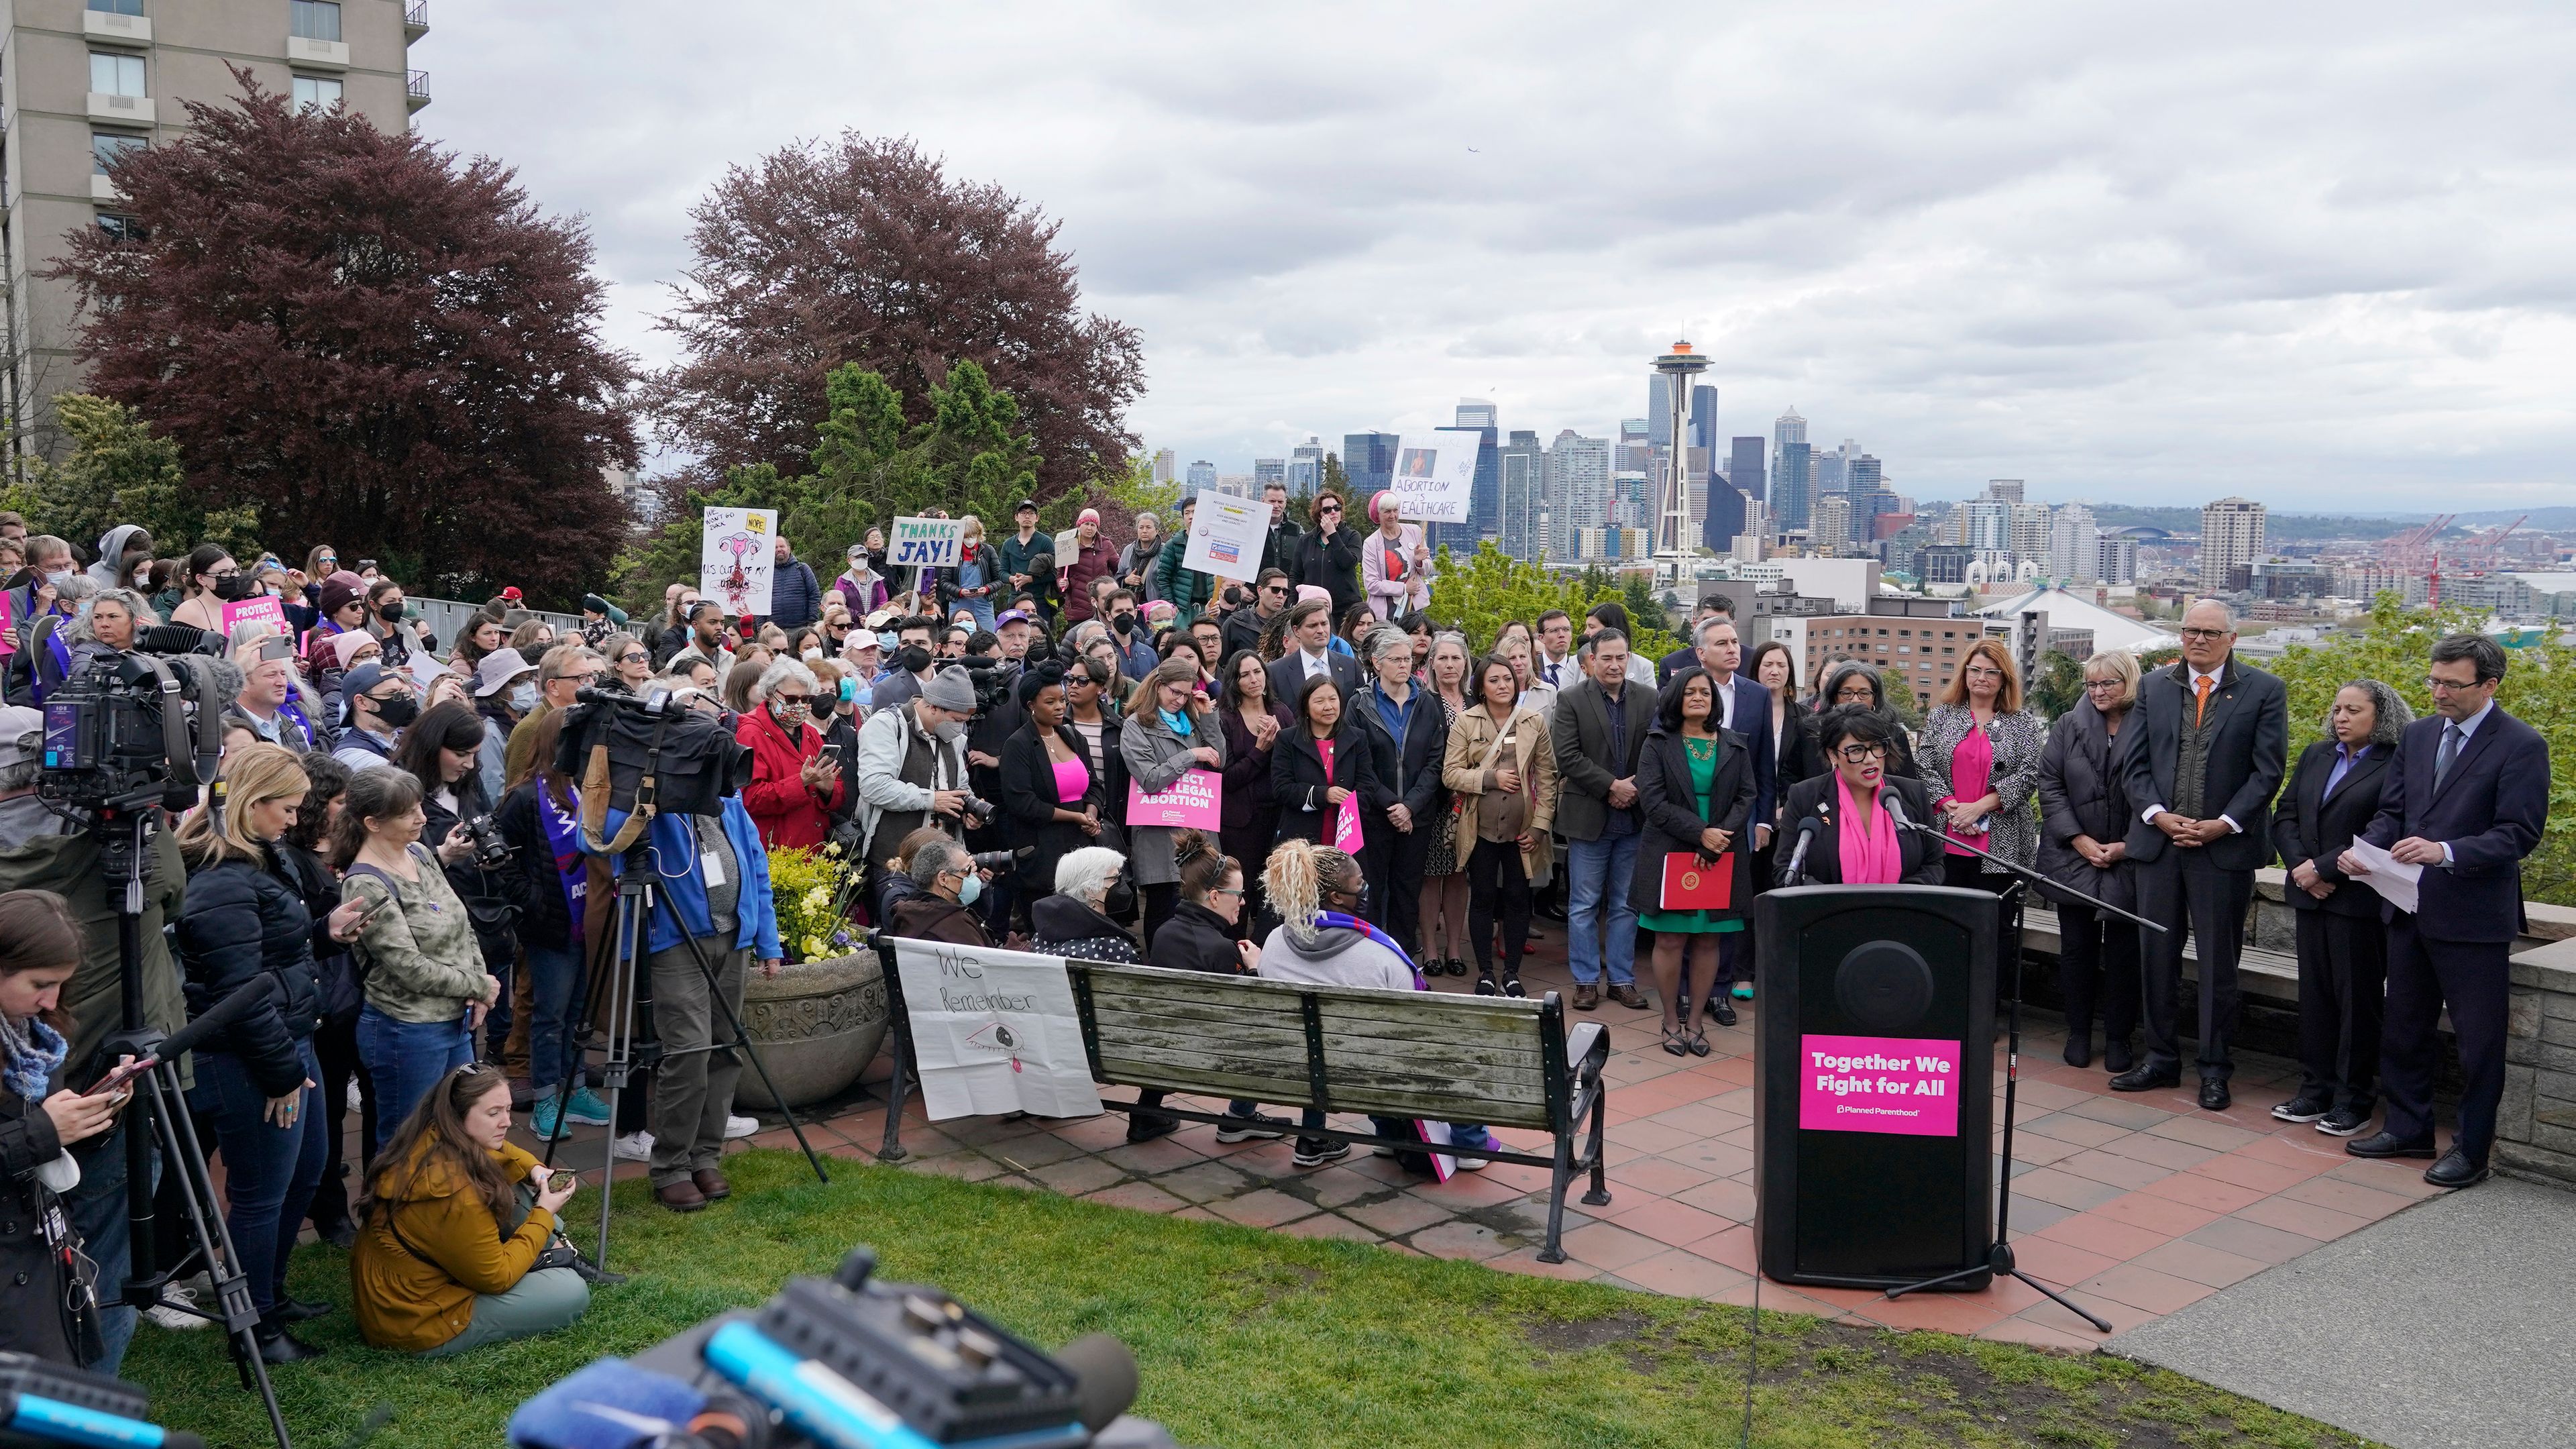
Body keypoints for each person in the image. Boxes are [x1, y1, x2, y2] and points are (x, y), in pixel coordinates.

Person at [175, 744, 370, 1362]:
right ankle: (252, 1329)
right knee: (261, 1193)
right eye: (286, 809)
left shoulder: (262, 858)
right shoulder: (223, 880)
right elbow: (237, 993)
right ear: (252, 805)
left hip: (288, 1040)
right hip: (248, 1058)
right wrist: (283, 1075)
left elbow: (272, 960)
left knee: (303, 1174)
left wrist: (325, 934)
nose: (296, 819)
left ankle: (272, 1300)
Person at [2342, 635, 2550, 1188]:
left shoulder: (2521, 744)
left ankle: (2471, 1151)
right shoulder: (2417, 734)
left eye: (2451, 685)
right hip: (2407, 908)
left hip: (2474, 918)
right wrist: (2367, 849)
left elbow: (2519, 833)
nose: (2437, 693)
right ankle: (2408, 1129)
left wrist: (2447, 852)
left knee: (2478, 1043)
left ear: (2490, 686)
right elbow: (2395, 811)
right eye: (2434, 681)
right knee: (2404, 1029)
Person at [2113, 600, 2288, 1112]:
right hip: (2159, 846)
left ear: (2232, 638)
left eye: (2211, 633)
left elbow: (2267, 772)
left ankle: (2214, 1069)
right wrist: (2158, 816)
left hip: (2222, 850)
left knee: (2217, 965)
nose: (2199, 640)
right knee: (2156, 959)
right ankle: (2161, 1060)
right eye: (2191, 631)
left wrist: (2223, 825)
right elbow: (2135, 765)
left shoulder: (2265, 690)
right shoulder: (2153, 686)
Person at [1258, 837, 1500, 1170]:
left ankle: (1388, 1134)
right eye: (1359, 884)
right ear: (1337, 898)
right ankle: (1472, 1145)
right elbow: (1419, 1026)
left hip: (1293, 1068)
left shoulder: (1272, 942)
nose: (1366, 888)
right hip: (1369, 1074)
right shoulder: (1380, 956)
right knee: (1445, 1043)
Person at [350, 1064, 588, 1356]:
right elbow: (496, 1278)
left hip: (398, 1294)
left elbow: (505, 1152)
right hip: (414, 1318)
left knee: (512, 1180)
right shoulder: (454, 1192)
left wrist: (537, 1171)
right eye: (494, 1113)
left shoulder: (433, 1133)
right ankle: (557, 1256)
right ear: (458, 1115)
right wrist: (543, 1212)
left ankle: (557, 1251)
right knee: (569, 1292)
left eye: (508, 1110)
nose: (506, 1122)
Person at [2268, 678, 2410, 1133]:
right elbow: (2285, 814)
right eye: (2337, 710)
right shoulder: (2317, 755)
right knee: (2315, 1000)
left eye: (2353, 710)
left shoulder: (2395, 763)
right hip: (2310, 897)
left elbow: (2384, 828)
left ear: (2380, 717)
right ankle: (2314, 1091)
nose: (2341, 718)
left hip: (2357, 901)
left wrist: (2324, 870)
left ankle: (2354, 1100)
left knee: (2357, 1004)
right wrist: (2301, 870)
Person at [337, 767, 501, 1150]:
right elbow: (409, 967)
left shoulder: (420, 852)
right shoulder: (364, 883)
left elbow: (462, 924)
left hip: (454, 1021)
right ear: (372, 823)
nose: (422, 818)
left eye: (418, 807)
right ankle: (392, 1211)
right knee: (406, 1143)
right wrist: (480, 985)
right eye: (408, 813)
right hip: (406, 1030)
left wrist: (479, 990)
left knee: (456, 1131)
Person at [0, 892, 127, 1368]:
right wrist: (45, 1131)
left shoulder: (36, 1036)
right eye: (40, 983)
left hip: (41, 1253)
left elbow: (39, 1132)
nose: (51, 1000)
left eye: (60, 985)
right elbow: (32, 1132)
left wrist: (94, 1111)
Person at [1124, 833, 1289, 1144]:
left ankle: (1145, 1114)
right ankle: (1240, 1118)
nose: (1243, 901)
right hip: (1207, 1059)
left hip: (1157, 1050)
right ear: (1214, 897)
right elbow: (1253, 1015)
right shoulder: (1220, 949)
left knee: (1169, 1020)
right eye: (1238, 894)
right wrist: (1255, 967)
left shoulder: (1163, 933)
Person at [496, 711, 611, 1142]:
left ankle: (574, 1088)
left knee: (581, 1013)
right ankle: (546, 1097)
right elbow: (500, 864)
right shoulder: (524, 797)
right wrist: (535, 904)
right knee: (550, 1015)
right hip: (551, 927)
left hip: (591, 921)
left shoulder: (590, 790)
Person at [394, 702, 525, 1065]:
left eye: (474, 754)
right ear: (432, 746)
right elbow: (394, 868)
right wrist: (445, 856)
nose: (469, 763)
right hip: (438, 931)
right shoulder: (400, 788)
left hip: (487, 916)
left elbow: (488, 822)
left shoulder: (468, 782)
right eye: (461, 753)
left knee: (492, 1000)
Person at [1634, 669, 1756, 1058]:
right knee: (1670, 939)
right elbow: (1652, 802)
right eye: (1690, 692)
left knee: (1708, 939)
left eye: (1705, 692)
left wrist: (1718, 837)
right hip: (1672, 851)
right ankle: (1671, 1020)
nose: (1699, 697)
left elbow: (1746, 795)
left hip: (1721, 853)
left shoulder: (1734, 744)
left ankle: (1698, 1022)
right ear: (1675, 699)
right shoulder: (1657, 743)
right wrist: (1700, 833)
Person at [2037, 651, 2147, 1072]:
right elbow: (2050, 782)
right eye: (2091, 684)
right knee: (2076, 951)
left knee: (2123, 956)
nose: (2098, 692)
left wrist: (2129, 844)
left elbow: (2162, 792)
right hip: (2072, 856)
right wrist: (2077, 838)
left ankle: (2119, 1037)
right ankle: (2078, 1032)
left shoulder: (2152, 726)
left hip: (2129, 858)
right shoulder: (2068, 724)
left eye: (2108, 683)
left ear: (2129, 682)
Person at [1552, 629, 1654, 1013]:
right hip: (1590, 817)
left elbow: (1658, 752)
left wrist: (1634, 788)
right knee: (1583, 904)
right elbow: (1567, 755)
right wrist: (1612, 785)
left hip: (1634, 819)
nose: (1614, 665)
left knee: (1626, 905)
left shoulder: (1648, 699)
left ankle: (1623, 981)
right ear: (1592, 660)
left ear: (1629, 659)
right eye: (1606, 658)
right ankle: (1585, 981)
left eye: (1621, 658)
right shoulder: (1572, 699)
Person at [1917, 639, 2045, 892]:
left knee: (1999, 922)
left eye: (1991, 672)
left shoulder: (2024, 723)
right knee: (1947, 919)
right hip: (1946, 832)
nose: (1981, 677)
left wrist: (1977, 809)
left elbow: (2029, 775)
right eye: (1975, 670)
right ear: (1965, 674)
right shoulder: (1942, 715)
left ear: (2004, 678)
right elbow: (1923, 764)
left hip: (2003, 838)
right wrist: (1954, 810)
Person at [1775, 707, 1947, 887]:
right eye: (1857, 750)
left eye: (1877, 746)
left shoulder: (1913, 793)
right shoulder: (1804, 796)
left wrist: (1901, 900)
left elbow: (1934, 864)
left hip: (1901, 911)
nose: (1871, 759)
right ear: (1833, 754)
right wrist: (1833, 902)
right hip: (1830, 912)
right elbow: (1785, 868)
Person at [1352, 627, 1446, 954]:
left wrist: (1410, 807)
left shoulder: (1427, 703)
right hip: (1376, 816)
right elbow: (1360, 765)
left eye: (1408, 658)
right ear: (1377, 663)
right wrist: (1393, 806)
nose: (1404, 665)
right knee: (1373, 887)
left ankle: (1404, 955)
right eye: (1396, 659)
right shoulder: (1359, 704)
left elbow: (1436, 762)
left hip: (1417, 816)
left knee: (1408, 889)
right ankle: (1372, 955)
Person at [1122, 657, 1225, 949]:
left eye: (1186, 694)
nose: (1180, 700)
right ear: (1158, 686)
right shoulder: (1135, 725)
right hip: (1159, 833)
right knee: (1164, 906)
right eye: (1174, 692)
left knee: (1203, 903)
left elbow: (1219, 760)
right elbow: (1150, 778)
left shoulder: (1193, 719)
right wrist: (1191, 756)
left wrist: (1207, 717)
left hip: (1198, 828)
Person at [853, 665, 977, 906]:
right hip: (895, 861)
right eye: (957, 720)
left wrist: (969, 808)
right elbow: (873, 785)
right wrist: (932, 799)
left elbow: (961, 786)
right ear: (933, 707)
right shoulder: (887, 726)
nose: (960, 728)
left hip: (943, 867)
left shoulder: (952, 738)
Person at [998, 665, 1105, 913]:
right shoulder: (1017, 745)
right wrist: (1074, 816)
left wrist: (1091, 814)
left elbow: (1095, 786)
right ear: (1030, 705)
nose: (1060, 707)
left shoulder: (1073, 737)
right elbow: (1023, 804)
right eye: (1051, 701)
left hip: (1082, 847)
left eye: (1063, 700)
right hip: (1042, 854)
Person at [1214, 648, 1292, 927]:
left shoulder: (1281, 712)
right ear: (1234, 682)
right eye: (1244, 675)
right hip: (1241, 821)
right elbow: (1227, 779)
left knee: (1276, 893)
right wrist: (1260, 750)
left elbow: (1296, 762)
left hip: (1279, 816)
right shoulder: (1226, 719)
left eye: (1257, 672)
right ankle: (1235, 953)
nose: (1253, 679)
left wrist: (1282, 740)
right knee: (1241, 891)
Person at [736, 659, 847, 849]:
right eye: (791, 699)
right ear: (770, 694)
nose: (799, 706)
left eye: (806, 700)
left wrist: (828, 790)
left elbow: (837, 791)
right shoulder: (750, 733)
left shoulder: (809, 732)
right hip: (778, 850)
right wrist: (801, 782)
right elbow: (750, 798)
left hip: (815, 846)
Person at [1273, 674, 1378, 852]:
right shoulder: (1287, 739)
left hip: (1346, 832)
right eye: (1319, 701)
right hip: (1301, 836)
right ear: (1306, 707)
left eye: (1333, 699)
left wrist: (1350, 806)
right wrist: (1323, 795)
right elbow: (1282, 788)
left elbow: (1367, 783)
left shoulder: (1356, 737)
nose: (1328, 707)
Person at [1030, 847, 1138, 963]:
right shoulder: (1113, 947)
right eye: (1115, 878)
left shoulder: (1040, 936)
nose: (1121, 884)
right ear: (1090, 890)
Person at [1815, 660, 1920, 780]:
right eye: (1847, 693)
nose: (1855, 700)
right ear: (1834, 696)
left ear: (1875, 698)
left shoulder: (1895, 734)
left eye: (1864, 693)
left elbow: (1907, 785)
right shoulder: (1812, 732)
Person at [885, 838, 996, 947]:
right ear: (943, 879)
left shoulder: (911, 911)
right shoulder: (956, 925)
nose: (974, 876)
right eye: (968, 871)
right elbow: (987, 962)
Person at [1265, 596, 1365, 706]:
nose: (1321, 631)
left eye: (1324, 624)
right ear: (1296, 631)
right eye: (1313, 626)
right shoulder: (1276, 672)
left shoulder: (1350, 666)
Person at [468, 647, 537, 802]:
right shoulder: (489, 732)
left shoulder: (523, 717)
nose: (528, 686)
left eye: (529, 679)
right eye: (520, 682)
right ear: (499, 690)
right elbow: (493, 792)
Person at [329, 662, 419, 771]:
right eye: (392, 694)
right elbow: (402, 779)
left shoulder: (400, 738)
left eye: (402, 693)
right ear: (362, 702)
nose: (402, 701)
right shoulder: (349, 755)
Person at [1292, 492, 1363, 622]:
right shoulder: (1306, 540)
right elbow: (1296, 576)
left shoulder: (1352, 536)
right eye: (1327, 510)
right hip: (1313, 609)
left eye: (1337, 507)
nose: (1333, 512)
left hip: (1345, 608)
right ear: (1319, 514)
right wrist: (1292, 605)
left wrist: (1332, 534)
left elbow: (1348, 562)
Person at [1150, 496, 1214, 626]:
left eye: (1195, 512)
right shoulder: (1174, 545)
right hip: (1183, 609)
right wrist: (1172, 605)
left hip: (1208, 607)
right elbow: (1163, 578)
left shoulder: (1212, 542)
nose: (1191, 516)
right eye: (1187, 513)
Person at [1658, 594, 1735, 685]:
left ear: (1734, 626)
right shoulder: (1672, 663)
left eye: (1722, 622)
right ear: (1695, 623)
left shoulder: (1750, 661)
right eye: (1707, 622)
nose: (1714, 628)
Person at [166, 544, 240, 632]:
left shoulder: (238, 611)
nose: (233, 576)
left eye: (235, 570)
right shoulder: (187, 612)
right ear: (201, 579)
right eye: (223, 572)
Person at [763, 533, 824, 631]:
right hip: (773, 631)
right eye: (775, 547)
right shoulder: (765, 572)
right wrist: (761, 627)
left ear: (789, 548)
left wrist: (811, 623)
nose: (779, 549)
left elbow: (814, 596)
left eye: (782, 546)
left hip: (800, 628)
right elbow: (761, 601)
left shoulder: (802, 569)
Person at [1258, 480, 1304, 580]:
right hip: (1256, 591)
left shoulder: (1296, 530)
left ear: (1285, 503)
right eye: (1272, 501)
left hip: (1287, 591)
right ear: (1263, 501)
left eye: (1280, 502)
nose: (1276, 506)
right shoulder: (1253, 528)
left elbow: (1304, 561)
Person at [1116, 513, 1164, 603]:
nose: (1144, 531)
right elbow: (1118, 575)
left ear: (1157, 530)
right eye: (1141, 527)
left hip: (1155, 604)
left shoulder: (1164, 551)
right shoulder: (1129, 550)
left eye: (1149, 527)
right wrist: (1126, 580)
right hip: (1131, 603)